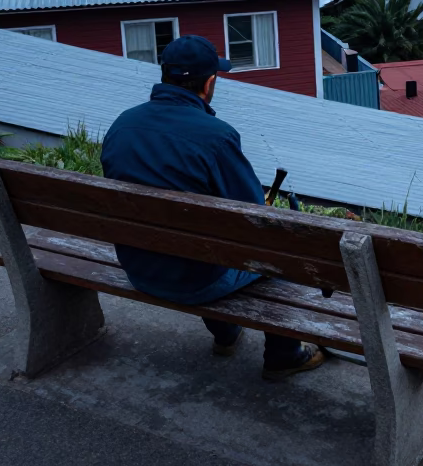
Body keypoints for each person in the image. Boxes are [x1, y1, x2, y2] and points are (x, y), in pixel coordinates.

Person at [100, 34, 325, 381]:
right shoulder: (215, 136)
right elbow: (255, 218)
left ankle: (226, 334)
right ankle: (284, 354)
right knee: (280, 246)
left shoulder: (121, 125)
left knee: (197, 237)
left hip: (139, 267)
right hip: (195, 280)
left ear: (165, 76)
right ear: (209, 83)